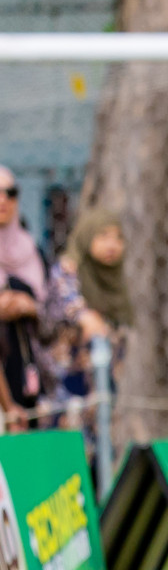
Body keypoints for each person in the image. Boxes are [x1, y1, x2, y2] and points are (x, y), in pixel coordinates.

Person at [39, 208, 126, 433]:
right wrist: (91, 322)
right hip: (62, 388)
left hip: (101, 390)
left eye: (118, 238)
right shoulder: (67, 270)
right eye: (103, 236)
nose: (112, 245)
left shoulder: (114, 280)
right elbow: (84, 319)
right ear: (87, 236)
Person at [0, 166, 50, 426]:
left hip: (29, 374)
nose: (3, 200)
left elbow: (54, 319)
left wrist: (31, 307)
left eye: (10, 193)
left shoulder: (32, 252)